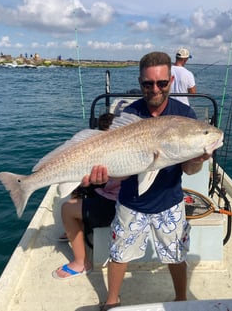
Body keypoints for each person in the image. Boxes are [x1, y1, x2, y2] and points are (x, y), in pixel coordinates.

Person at [82, 51, 210, 310]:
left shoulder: (184, 114)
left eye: (162, 83)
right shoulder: (129, 114)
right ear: (140, 82)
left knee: (176, 255)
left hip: (169, 201)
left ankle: (181, 300)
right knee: (118, 254)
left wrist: (198, 159)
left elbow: (189, 169)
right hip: (131, 201)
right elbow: (120, 169)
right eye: (148, 83)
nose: (155, 89)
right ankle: (112, 300)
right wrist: (101, 177)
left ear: (171, 81)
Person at [52, 113, 120, 279]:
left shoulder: (117, 153)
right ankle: (74, 231)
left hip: (116, 205)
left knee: (66, 209)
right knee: (78, 191)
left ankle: (81, 262)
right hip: (110, 194)